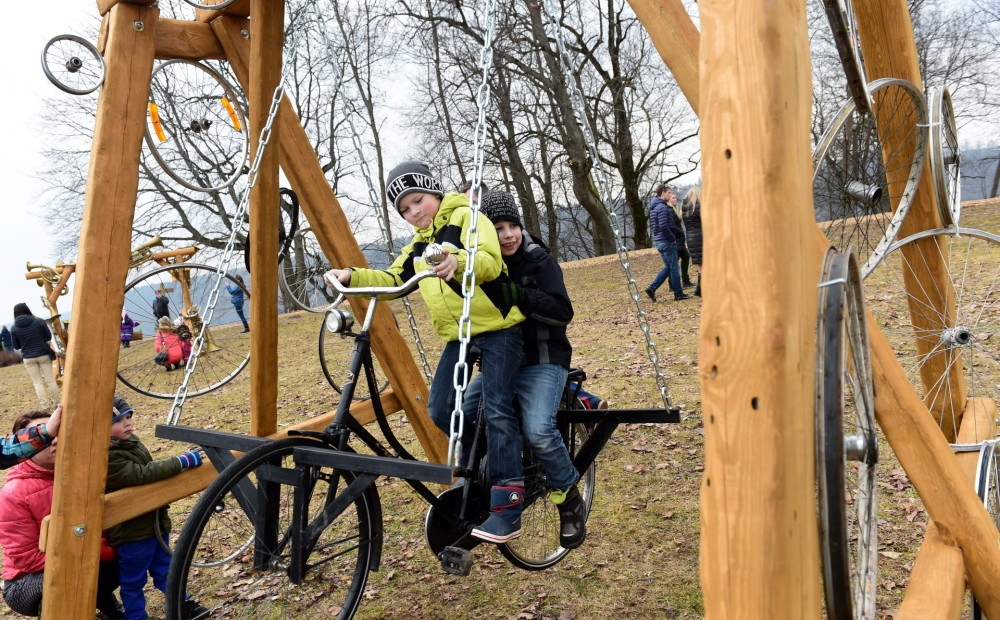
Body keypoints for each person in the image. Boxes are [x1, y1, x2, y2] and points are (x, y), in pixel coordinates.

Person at [325, 161, 526, 542]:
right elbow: (394, 278)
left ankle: (508, 503)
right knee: (439, 408)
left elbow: (489, 260)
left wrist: (458, 260)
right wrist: (351, 276)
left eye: (418, 201)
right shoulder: (418, 244)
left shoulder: (467, 216)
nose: (414, 212)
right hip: (460, 337)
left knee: (498, 410)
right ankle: (488, 462)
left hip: (500, 329)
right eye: (404, 209)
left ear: (434, 192)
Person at [472, 189, 589, 548]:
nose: (508, 235)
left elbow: (562, 311)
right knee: (458, 414)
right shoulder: (484, 265)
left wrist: (522, 296)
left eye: (513, 226)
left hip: (542, 358)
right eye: (499, 228)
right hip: (498, 361)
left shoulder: (539, 260)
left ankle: (568, 498)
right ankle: (493, 484)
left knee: (539, 430)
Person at [0, 408, 124, 619]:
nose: (56, 441)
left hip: (82, 557)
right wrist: (91, 551)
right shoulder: (14, 494)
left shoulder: (84, 472)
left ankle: (106, 602)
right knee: (71, 573)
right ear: (24, 445)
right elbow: (27, 559)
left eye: (60, 433)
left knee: (129, 554)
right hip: (28, 580)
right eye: (48, 435)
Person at [105, 397, 209, 620]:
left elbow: (146, 470)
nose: (127, 424)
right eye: (118, 420)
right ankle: (135, 617)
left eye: (128, 417)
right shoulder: (107, 456)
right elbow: (140, 474)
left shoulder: (130, 442)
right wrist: (180, 462)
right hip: (131, 532)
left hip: (154, 522)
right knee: (133, 580)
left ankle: (183, 604)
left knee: (167, 570)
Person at [644, 186, 692, 302]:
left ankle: (651, 288)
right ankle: (678, 293)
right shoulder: (662, 207)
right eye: (669, 193)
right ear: (663, 193)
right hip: (666, 241)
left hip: (659, 241)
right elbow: (664, 226)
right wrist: (672, 238)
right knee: (674, 268)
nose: (670, 196)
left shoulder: (655, 207)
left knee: (668, 267)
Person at [10, 304, 61, 409]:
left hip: (28, 357)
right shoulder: (39, 321)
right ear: (28, 310)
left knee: (37, 382)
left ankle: (45, 407)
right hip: (43, 354)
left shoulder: (14, 327)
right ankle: (57, 404)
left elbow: (16, 346)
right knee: (50, 379)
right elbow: (48, 337)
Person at [0, 404, 61, 470]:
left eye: (58, 433)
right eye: (46, 440)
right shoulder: (21, 480)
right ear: (26, 454)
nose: (56, 441)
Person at [682, 186, 703, 297]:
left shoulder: (685, 209)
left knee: (701, 265)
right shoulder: (699, 208)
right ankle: (699, 290)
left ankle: (699, 290)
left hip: (691, 239)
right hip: (701, 238)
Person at [671, 190, 694, 289]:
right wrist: (681, 233)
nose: (675, 199)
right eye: (673, 198)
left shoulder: (675, 210)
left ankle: (685, 280)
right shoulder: (670, 210)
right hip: (675, 241)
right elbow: (671, 226)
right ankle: (672, 284)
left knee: (685, 257)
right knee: (673, 263)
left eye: (676, 198)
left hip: (679, 241)